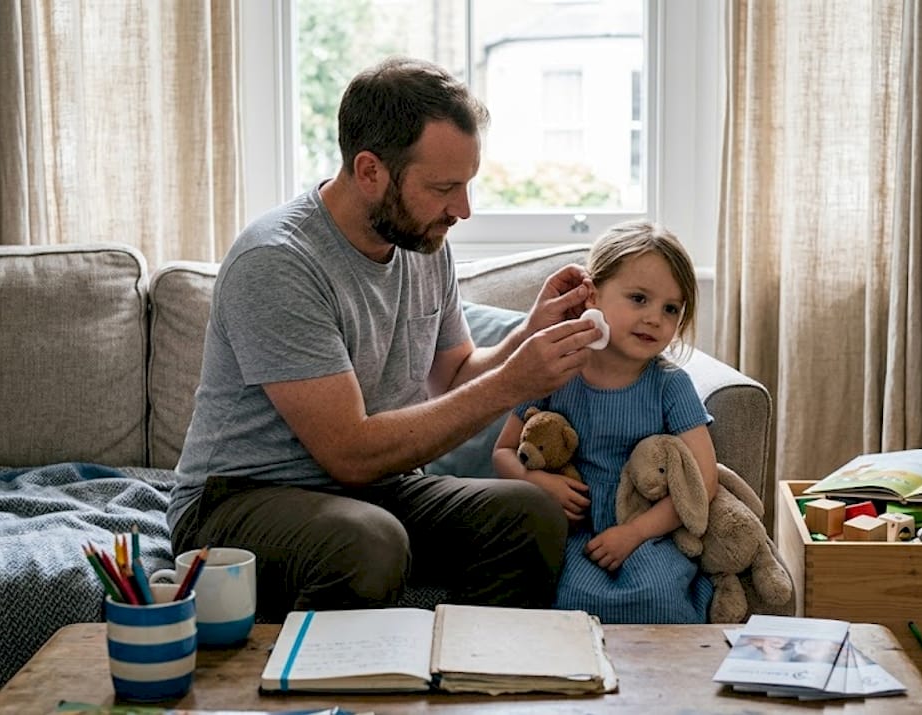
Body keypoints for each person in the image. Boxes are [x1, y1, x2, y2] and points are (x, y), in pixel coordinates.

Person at [166, 56, 602, 620]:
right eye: (444, 187)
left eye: (467, 185)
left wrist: (531, 330)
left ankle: (476, 680)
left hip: (374, 492)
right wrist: (512, 385)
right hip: (239, 499)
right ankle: (329, 705)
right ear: (370, 171)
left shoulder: (423, 243)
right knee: (369, 542)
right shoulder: (277, 262)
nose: (462, 210)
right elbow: (350, 453)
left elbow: (457, 374)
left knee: (528, 514)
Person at [492, 220, 719, 624]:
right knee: (568, 601)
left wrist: (635, 533)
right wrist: (536, 481)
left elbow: (702, 481)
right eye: (639, 299)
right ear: (593, 295)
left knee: (658, 594)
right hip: (574, 533)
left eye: (671, 309)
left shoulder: (669, 385)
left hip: (646, 530)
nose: (655, 318)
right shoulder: (555, 370)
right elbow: (504, 451)